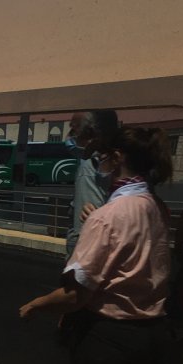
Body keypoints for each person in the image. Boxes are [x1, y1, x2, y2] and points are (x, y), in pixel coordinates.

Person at [19, 127, 174, 364]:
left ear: (116, 158)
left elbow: (74, 296)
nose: (98, 165)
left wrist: (35, 305)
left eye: (101, 157)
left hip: (110, 341)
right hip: (152, 336)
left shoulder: (107, 217)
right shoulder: (157, 207)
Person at [64, 110, 119, 257]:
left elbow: (83, 230)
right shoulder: (119, 162)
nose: (69, 136)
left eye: (73, 129)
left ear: (90, 133)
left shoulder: (89, 167)